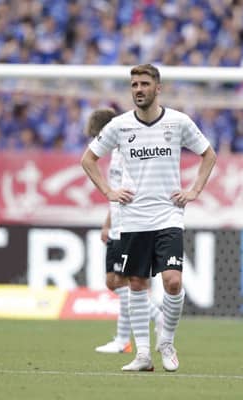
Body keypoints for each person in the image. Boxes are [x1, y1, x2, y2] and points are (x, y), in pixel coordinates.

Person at [81, 64, 216, 372]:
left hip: (169, 215)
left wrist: (194, 190)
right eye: (134, 85)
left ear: (158, 88)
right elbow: (88, 159)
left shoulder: (178, 122)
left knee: (172, 281)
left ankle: (166, 341)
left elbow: (209, 154)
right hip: (133, 218)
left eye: (144, 84)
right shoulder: (119, 125)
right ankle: (143, 354)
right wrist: (108, 191)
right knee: (137, 283)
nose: (139, 89)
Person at [84, 108, 163, 354]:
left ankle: (157, 317)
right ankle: (123, 339)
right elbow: (117, 194)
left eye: (98, 136)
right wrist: (107, 222)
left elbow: (131, 190)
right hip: (117, 225)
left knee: (120, 282)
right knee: (118, 282)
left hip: (128, 226)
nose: (98, 142)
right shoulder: (117, 154)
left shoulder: (128, 153)